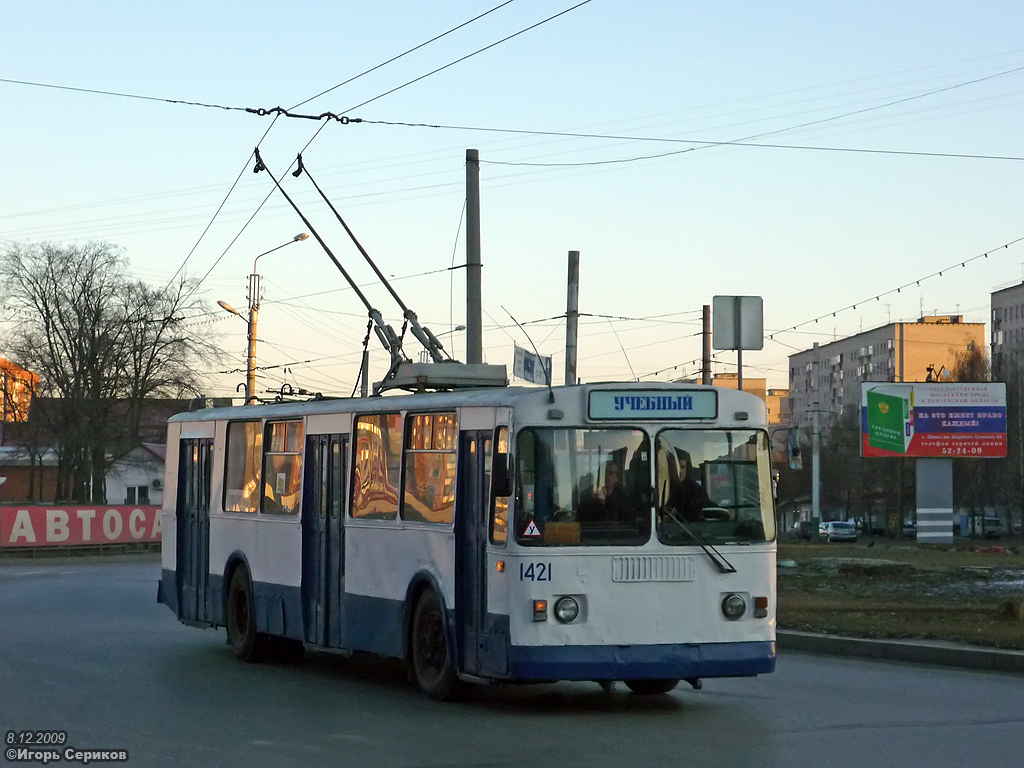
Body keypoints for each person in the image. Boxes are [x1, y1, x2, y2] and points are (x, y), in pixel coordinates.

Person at [666, 449, 712, 522]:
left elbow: (709, 508)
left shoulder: (696, 490)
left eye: (683, 467)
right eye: (676, 467)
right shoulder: (663, 487)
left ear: (687, 468)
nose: (680, 471)